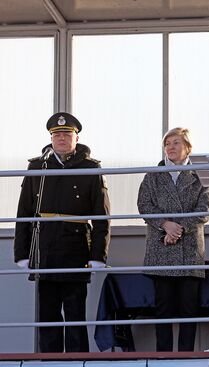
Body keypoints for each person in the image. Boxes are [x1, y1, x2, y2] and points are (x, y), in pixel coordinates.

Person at [14, 112, 111, 353]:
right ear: (51, 138)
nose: (61, 138)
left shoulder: (90, 168)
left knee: (75, 312)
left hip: (75, 247)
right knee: (48, 314)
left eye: (67, 134)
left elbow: (102, 216)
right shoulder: (37, 167)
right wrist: (21, 253)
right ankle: (51, 361)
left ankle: (78, 361)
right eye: (57, 134)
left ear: (76, 138)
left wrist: (98, 255)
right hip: (45, 246)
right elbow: (24, 212)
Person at [137, 127, 209, 352]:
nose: (170, 147)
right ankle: (164, 358)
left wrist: (177, 230)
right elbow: (144, 205)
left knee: (189, 310)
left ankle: (187, 357)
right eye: (167, 143)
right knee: (163, 310)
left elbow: (205, 208)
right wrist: (165, 225)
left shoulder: (202, 175)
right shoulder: (153, 175)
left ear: (188, 147)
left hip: (189, 251)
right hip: (160, 249)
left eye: (176, 142)